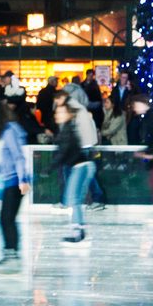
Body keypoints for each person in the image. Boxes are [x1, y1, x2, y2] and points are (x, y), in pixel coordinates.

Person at [54, 86, 100, 244]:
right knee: (74, 198)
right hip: (84, 159)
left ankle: (78, 230)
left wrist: (52, 165)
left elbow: (67, 148)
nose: (56, 112)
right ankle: (78, 229)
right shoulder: (79, 110)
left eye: (58, 107)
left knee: (73, 197)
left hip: (82, 162)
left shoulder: (72, 116)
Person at [0, 99, 30, 266]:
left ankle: (11, 254)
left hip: (14, 182)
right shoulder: (10, 130)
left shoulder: (9, 131)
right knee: (7, 218)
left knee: (6, 218)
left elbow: (18, 157)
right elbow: (8, 160)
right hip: (12, 180)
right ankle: (11, 253)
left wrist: (22, 180)